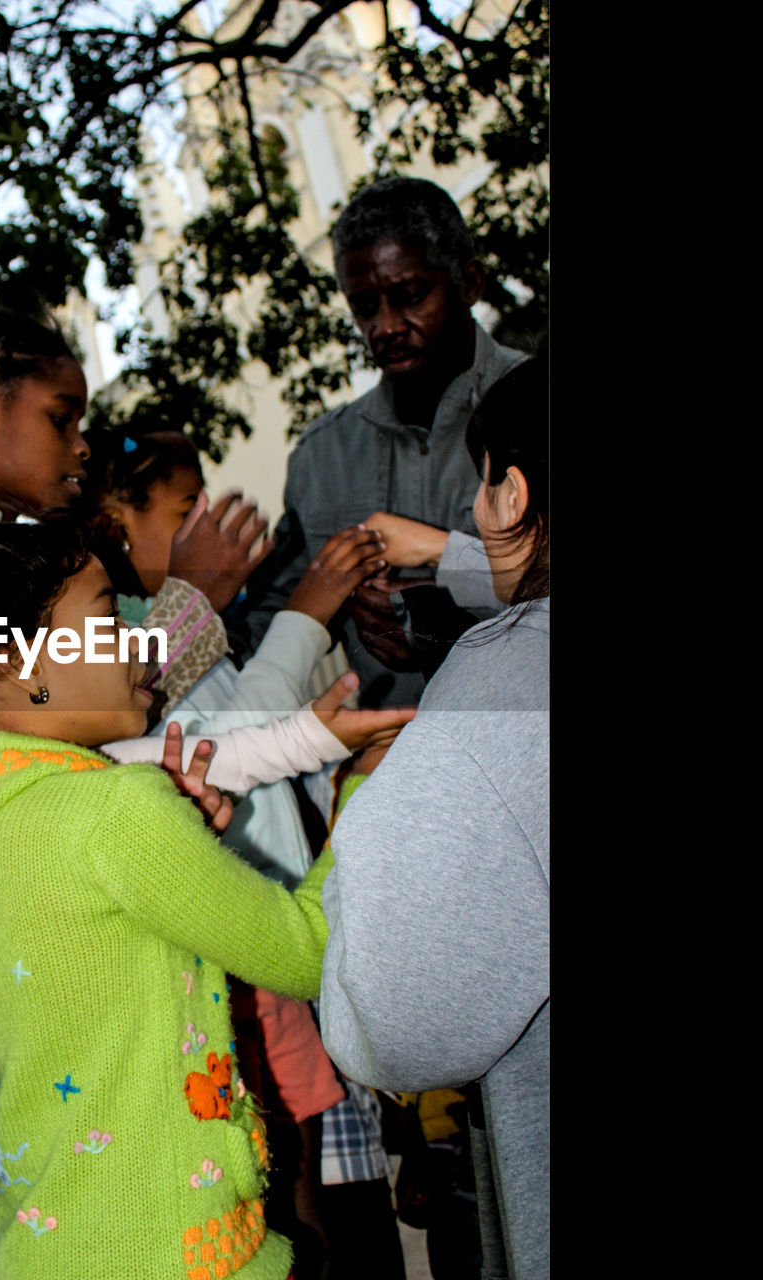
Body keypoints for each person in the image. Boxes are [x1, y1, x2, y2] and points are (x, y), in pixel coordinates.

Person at [0, 517, 416, 1280]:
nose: (138, 642)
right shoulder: (114, 812)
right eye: (107, 619)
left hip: (47, 1252)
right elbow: (312, 952)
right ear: (7, 666)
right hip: (174, 1252)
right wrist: (362, 796)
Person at [319, 354, 549, 1280]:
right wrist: (447, 556)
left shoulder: (500, 688)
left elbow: (399, 1023)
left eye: (481, 489)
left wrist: (371, 805)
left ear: (514, 489)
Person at [0, 266, 273, 707]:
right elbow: (75, 705)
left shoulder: (15, 550)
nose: (83, 446)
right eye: (59, 419)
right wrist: (194, 598)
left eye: (80, 424)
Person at [231, 175, 529, 710]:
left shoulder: (538, 407)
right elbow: (275, 616)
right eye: (365, 307)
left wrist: (447, 605)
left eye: (411, 297)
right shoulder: (321, 457)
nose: (386, 326)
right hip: (389, 762)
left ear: (469, 283)